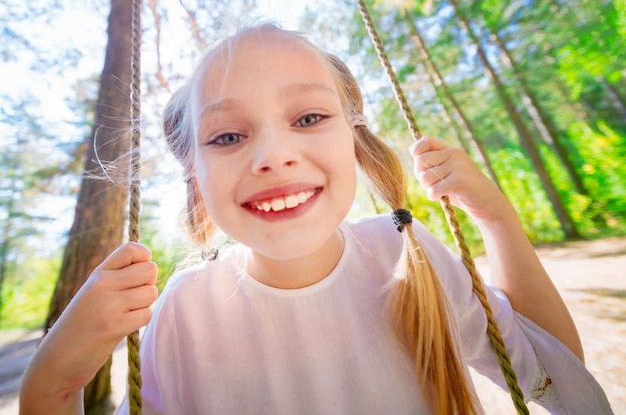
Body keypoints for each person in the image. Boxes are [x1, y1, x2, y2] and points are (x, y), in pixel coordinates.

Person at [19, 23, 612, 415]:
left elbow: (558, 376)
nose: (273, 155)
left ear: (354, 140)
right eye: (227, 135)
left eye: (307, 119)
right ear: (195, 177)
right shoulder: (186, 309)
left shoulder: (409, 256)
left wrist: (497, 218)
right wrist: (50, 387)